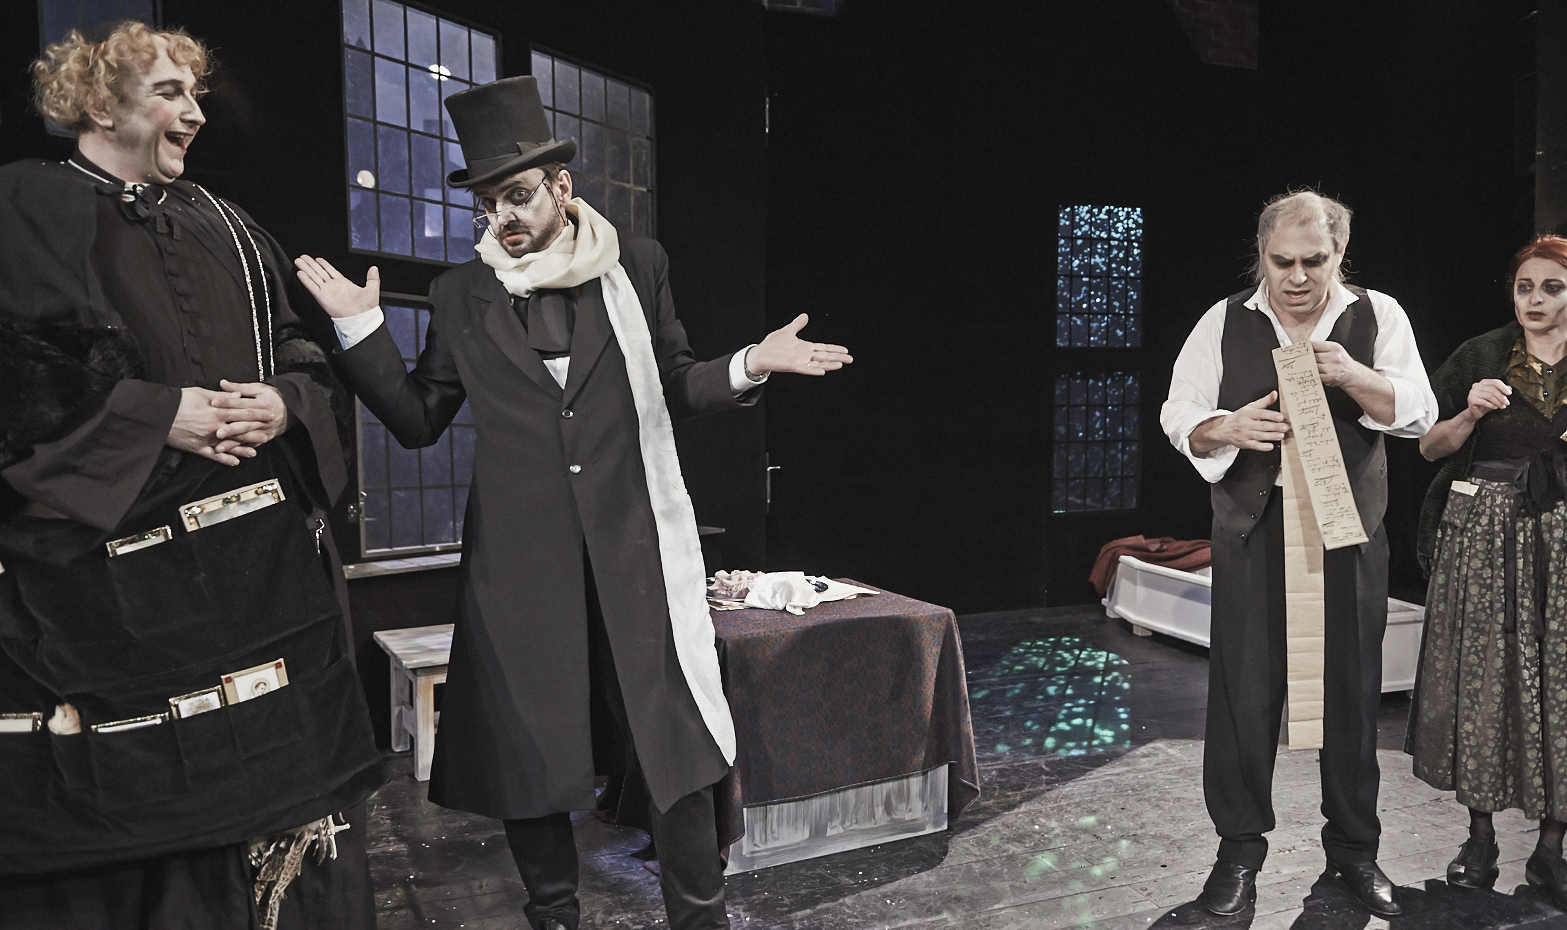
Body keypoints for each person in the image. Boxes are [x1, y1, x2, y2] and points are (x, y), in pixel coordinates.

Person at [294, 75, 851, 930]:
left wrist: (750, 363)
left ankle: (699, 916)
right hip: (518, 566)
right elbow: (416, 420)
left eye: (516, 195)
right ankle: (553, 915)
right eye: (487, 204)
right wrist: (360, 332)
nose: (502, 218)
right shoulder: (460, 294)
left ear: (561, 186)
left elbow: (672, 382)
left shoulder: (637, 265)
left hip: (634, 549)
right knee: (531, 753)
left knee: (673, 739)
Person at [0, 21, 383, 929]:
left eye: (196, 93)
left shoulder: (228, 223)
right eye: (170, 91)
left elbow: (298, 348)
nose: (195, 111)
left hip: (259, 595)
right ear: (99, 103)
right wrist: (151, 415)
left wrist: (284, 402)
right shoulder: (21, 205)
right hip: (108, 614)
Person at [1160, 190, 1436, 918]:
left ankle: (1353, 854)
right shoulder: (1224, 319)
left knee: (1351, 693)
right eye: (1281, 261)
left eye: (1314, 260)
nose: (1296, 277)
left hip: (1345, 532)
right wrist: (1222, 428)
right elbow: (1178, 411)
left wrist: (1353, 375)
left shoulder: (1377, 315)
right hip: (1254, 528)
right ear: (1261, 254)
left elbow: (1418, 412)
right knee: (1242, 696)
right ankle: (1238, 854)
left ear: (1339, 253)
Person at [1407, 234, 1567, 909]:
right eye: (1525, 287)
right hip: (1482, 535)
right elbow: (1427, 446)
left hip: (1561, 537)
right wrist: (1470, 411)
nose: (1535, 299)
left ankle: (1551, 848)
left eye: (1552, 287)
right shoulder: (1479, 356)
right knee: (1482, 679)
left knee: (1559, 682)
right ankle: (1479, 840)